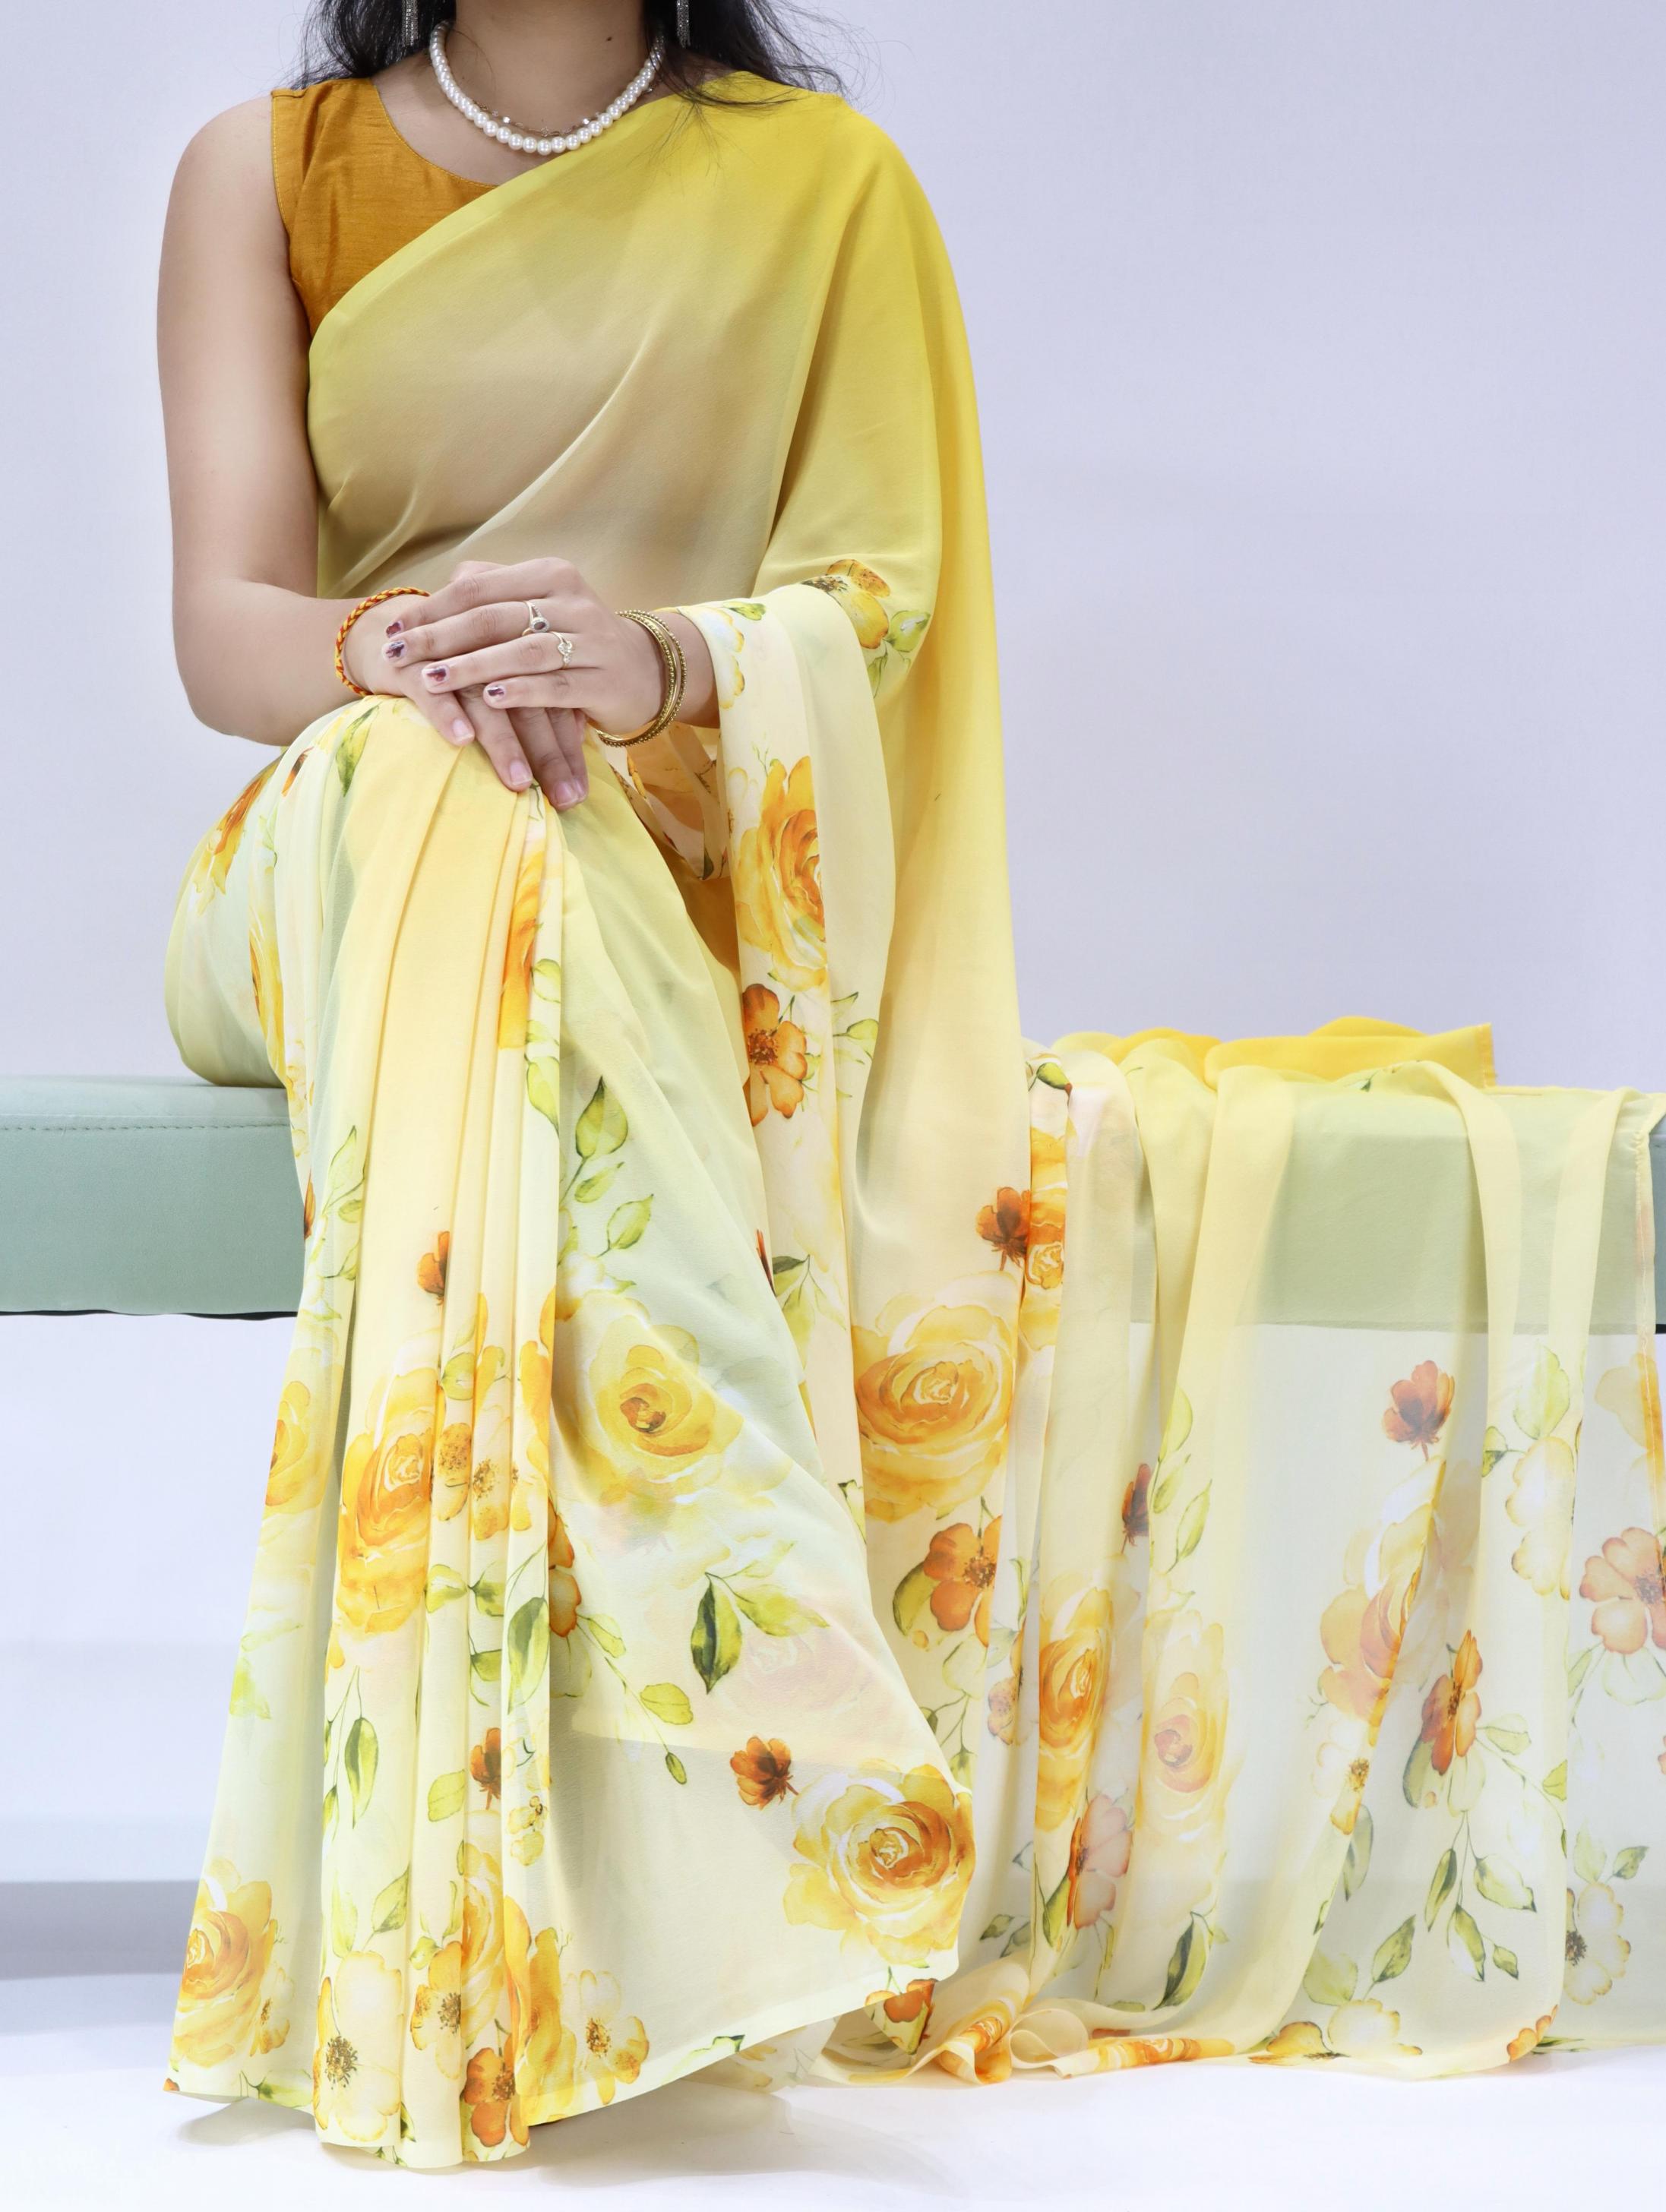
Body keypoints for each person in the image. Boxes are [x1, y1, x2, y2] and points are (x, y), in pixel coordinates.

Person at [156, 0, 1666, 2171]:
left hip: (678, 875)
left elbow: (879, 596)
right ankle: (767, 1716)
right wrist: (387, 660)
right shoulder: (265, 168)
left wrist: (656, 661)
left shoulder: (820, 186)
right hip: (338, 854)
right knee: (464, 799)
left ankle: (603, 1826)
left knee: (545, 850)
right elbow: (224, 626)